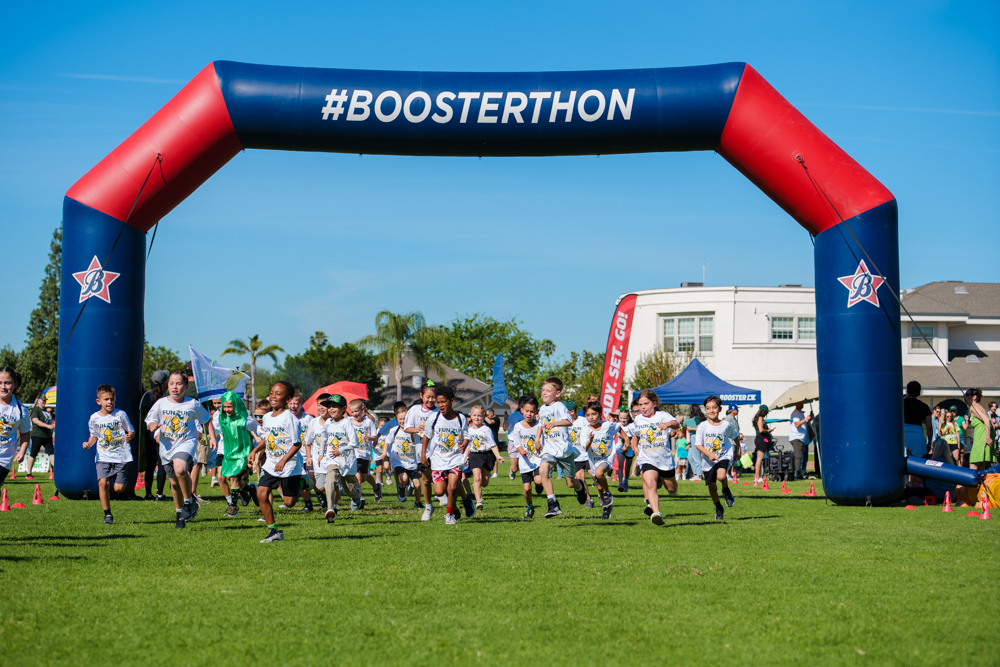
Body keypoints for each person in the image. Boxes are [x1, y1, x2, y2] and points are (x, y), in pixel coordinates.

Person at [145, 370, 214, 529]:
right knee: (174, 484)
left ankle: (188, 503)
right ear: (167, 385)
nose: (174, 387)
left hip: (185, 443)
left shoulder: (192, 403)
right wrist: (153, 426)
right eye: (171, 383)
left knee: (181, 469)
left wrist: (212, 438)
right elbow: (150, 420)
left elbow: (206, 419)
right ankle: (179, 514)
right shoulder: (161, 403)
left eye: (179, 383)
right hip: (166, 446)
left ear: (186, 386)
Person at [250, 381, 304, 543]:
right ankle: (273, 531)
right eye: (272, 392)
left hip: (290, 466)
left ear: (287, 399)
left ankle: (303, 482)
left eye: (278, 394)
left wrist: (284, 460)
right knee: (262, 494)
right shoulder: (267, 417)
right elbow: (269, 438)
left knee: (289, 502)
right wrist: (255, 450)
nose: (274, 396)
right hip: (271, 464)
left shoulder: (290, 419)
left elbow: (297, 444)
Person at [82, 384, 134, 524]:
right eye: (106, 399)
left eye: (112, 399)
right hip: (103, 456)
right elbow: (94, 436)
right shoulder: (94, 418)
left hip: (121, 456)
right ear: (98, 401)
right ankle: (108, 514)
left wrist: (129, 436)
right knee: (103, 483)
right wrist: (88, 444)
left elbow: (131, 430)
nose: (109, 402)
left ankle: (120, 478)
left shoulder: (120, 415)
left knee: (118, 489)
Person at [422, 385, 474, 524]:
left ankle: (449, 514)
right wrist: (423, 456)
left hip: (456, 457)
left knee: (452, 486)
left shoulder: (460, 418)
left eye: (443, 402)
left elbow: (467, 435)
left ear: (452, 401)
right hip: (438, 458)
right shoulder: (433, 418)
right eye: (438, 402)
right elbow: (426, 437)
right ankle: (461, 503)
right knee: (439, 492)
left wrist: (464, 443)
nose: (440, 405)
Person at [536, 377, 588, 518]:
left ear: (557, 394)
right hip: (549, 449)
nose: (544, 393)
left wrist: (555, 423)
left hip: (564, 450)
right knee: (543, 470)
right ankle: (552, 503)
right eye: (543, 390)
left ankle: (580, 487)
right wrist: (537, 440)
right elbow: (541, 425)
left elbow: (568, 421)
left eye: (548, 390)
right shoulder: (542, 409)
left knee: (571, 483)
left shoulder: (560, 406)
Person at [632, 389, 680, 526]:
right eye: (640, 405)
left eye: (646, 404)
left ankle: (669, 485)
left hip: (664, 460)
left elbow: (677, 424)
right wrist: (635, 446)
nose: (643, 407)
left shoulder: (662, 415)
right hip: (647, 458)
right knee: (650, 483)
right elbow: (636, 434)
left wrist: (668, 424)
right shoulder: (638, 419)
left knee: (671, 489)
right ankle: (656, 513)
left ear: (654, 403)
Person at [318, 393, 364, 523]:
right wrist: (321, 454)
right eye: (330, 406)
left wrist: (340, 450)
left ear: (344, 409)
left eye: (335, 407)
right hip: (332, 459)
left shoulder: (346, 424)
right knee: (330, 481)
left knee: (349, 489)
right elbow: (323, 438)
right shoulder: (328, 423)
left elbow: (354, 443)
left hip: (347, 461)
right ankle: (330, 509)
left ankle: (356, 497)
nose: (331, 409)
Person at [693, 395, 739, 521]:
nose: (711, 411)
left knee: (722, 476)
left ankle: (726, 490)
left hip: (723, 455)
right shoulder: (702, 426)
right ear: (705, 410)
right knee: (712, 487)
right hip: (708, 460)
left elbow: (734, 436)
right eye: (708, 408)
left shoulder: (726, 425)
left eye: (714, 408)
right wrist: (708, 454)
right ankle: (718, 507)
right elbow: (698, 444)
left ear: (719, 409)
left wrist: (738, 449)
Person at [218, 391, 262, 518]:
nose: (226, 409)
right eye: (224, 406)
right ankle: (250, 489)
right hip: (229, 455)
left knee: (233, 478)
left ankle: (233, 507)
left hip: (243, 455)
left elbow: (258, 431)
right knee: (233, 479)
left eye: (229, 406)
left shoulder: (246, 420)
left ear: (236, 405)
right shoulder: (222, 419)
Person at [404, 383, 437, 518]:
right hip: (421, 451)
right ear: (421, 396)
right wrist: (416, 429)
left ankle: (444, 499)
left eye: (433, 397)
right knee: (425, 480)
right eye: (428, 397)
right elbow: (407, 427)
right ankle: (428, 507)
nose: (430, 400)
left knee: (439, 479)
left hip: (437, 451)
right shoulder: (415, 410)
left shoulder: (439, 411)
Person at [580, 401, 617, 519]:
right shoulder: (585, 430)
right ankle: (606, 508)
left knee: (599, 473)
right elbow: (585, 447)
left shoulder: (607, 425)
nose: (591, 417)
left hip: (607, 458)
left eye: (594, 414)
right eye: (588, 415)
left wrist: (626, 440)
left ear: (600, 414)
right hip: (593, 461)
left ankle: (608, 494)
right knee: (599, 487)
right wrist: (590, 440)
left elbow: (619, 428)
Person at [507, 397, 543, 518]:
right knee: (527, 489)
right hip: (525, 462)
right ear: (522, 410)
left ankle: (539, 485)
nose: (529, 414)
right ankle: (530, 507)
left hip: (538, 459)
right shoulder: (517, 426)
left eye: (532, 411)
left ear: (536, 412)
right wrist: (521, 450)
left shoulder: (539, 425)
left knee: (538, 480)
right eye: (527, 411)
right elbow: (517, 443)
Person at [382, 402, 421, 506]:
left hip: (412, 462)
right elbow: (387, 441)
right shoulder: (394, 430)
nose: (403, 421)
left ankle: (418, 502)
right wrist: (384, 452)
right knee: (403, 478)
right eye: (400, 419)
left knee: (417, 485)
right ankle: (402, 487)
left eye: (405, 419)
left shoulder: (414, 432)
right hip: (398, 461)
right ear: (397, 419)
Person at [465, 405, 504, 509]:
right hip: (475, 455)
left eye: (479, 416)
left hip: (487, 455)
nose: (477, 418)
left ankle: (478, 486)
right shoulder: (468, 430)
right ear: (471, 416)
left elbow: (493, 444)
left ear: (484, 417)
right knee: (477, 478)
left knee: (485, 482)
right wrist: (466, 456)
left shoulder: (486, 429)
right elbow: (468, 446)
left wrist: (498, 456)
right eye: (475, 415)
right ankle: (478, 501)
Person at [139, 370, 169, 500]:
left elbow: (141, 414)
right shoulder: (165, 399)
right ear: (165, 383)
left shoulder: (146, 395)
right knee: (161, 462)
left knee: (150, 463)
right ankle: (159, 494)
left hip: (148, 432)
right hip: (159, 432)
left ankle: (148, 493)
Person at [0, 367, 31, 489]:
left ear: (15, 384)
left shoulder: (20, 409)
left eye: (7, 383)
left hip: (4, 459)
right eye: (0, 383)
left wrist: (22, 452)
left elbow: (25, 433)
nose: (3, 386)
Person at [349, 399, 381, 503]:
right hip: (353, 453)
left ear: (362, 410)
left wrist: (370, 438)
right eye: (352, 412)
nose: (354, 414)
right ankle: (359, 498)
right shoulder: (348, 422)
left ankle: (376, 487)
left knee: (364, 477)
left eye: (356, 411)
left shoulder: (368, 422)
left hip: (365, 454)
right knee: (357, 476)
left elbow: (375, 437)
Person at [303, 394, 330, 511]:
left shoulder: (336, 422)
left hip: (333, 460)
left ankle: (332, 507)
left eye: (325, 405)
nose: (322, 408)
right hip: (317, 460)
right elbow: (307, 442)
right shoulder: (313, 422)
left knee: (332, 485)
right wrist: (309, 457)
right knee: (319, 486)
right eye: (319, 405)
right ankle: (321, 496)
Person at [567, 401, 594, 508]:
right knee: (580, 479)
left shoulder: (583, 421)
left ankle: (603, 496)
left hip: (587, 454)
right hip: (575, 456)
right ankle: (589, 500)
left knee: (595, 477)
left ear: (572, 412)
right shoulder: (563, 423)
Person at [965, 388, 996, 472]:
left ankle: (971, 485)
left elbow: (987, 420)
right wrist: (992, 438)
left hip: (982, 439)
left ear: (974, 397)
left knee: (973, 468)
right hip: (986, 438)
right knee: (982, 471)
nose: (964, 397)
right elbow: (992, 424)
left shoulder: (973, 407)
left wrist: (988, 437)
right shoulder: (981, 407)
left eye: (967, 395)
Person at [25, 396, 55, 480]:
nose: (44, 402)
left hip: (47, 436)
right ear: (38, 401)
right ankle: (29, 473)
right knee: (33, 453)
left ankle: (55, 473)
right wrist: (47, 426)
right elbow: (35, 420)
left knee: (51, 453)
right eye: (43, 400)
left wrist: (50, 429)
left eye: (45, 401)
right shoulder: (36, 409)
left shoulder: (45, 411)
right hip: (37, 435)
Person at [903, 381, 933, 458]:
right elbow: (929, 426)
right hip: (917, 438)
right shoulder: (924, 407)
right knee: (918, 463)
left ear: (907, 391)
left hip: (901, 436)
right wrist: (929, 442)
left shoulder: (899, 404)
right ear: (919, 392)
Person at [788, 401, 813, 480]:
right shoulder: (796, 413)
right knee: (798, 456)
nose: (802, 405)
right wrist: (806, 419)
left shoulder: (800, 413)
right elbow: (797, 424)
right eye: (800, 403)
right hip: (796, 438)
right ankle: (797, 474)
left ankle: (799, 473)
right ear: (796, 404)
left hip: (801, 439)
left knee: (801, 456)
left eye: (802, 403)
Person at [752, 406, 774, 484]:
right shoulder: (760, 417)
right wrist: (768, 430)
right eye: (766, 412)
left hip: (761, 439)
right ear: (764, 411)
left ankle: (757, 476)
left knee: (760, 459)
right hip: (761, 439)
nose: (767, 413)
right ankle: (757, 477)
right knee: (759, 459)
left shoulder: (758, 418)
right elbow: (761, 430)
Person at [616, 407, 636, 492]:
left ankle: (626, 480)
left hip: (630, 449)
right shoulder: (617, 425)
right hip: (620, 447)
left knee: (627, 469)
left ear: (628, 418)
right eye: (621, 418)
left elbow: (634, 437)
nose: (622, 420)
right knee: (620, 465)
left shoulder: (631, 426)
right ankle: (620, 483)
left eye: (624, 418)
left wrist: (625, 437)